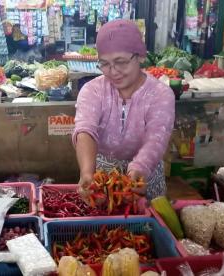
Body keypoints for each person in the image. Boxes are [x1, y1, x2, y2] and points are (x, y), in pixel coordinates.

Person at [72, 19, 175, 203]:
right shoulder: (92, 90)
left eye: (121, 62)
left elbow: (156, 139)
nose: (113, 71)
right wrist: (87, 171)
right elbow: (85, 130)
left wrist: (138, 170)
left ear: (141, 56)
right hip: (103, 178)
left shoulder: (160, 94)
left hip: (145, 177)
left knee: (145, 226)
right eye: (104, 64)